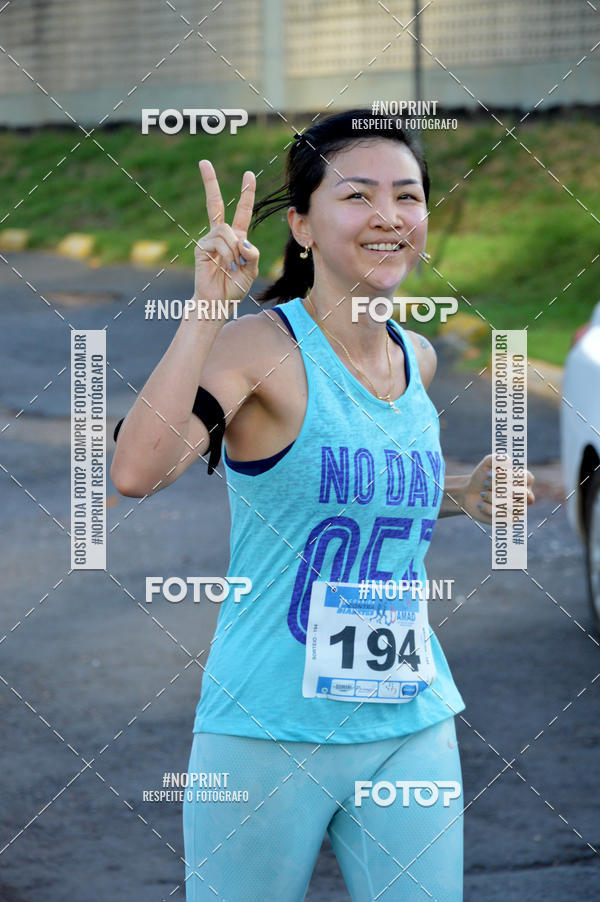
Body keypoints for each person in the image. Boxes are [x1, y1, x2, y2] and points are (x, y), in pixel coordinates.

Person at [111, 108, 534, 902]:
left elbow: (337, 484)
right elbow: (136, 471)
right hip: (269, 724)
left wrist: (457, 497)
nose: (388, 217)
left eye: (407, 197)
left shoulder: (420, 356)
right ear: (301, 225)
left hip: (408, 717)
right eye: (358, 196)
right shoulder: (259, 349)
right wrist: (209, 306)